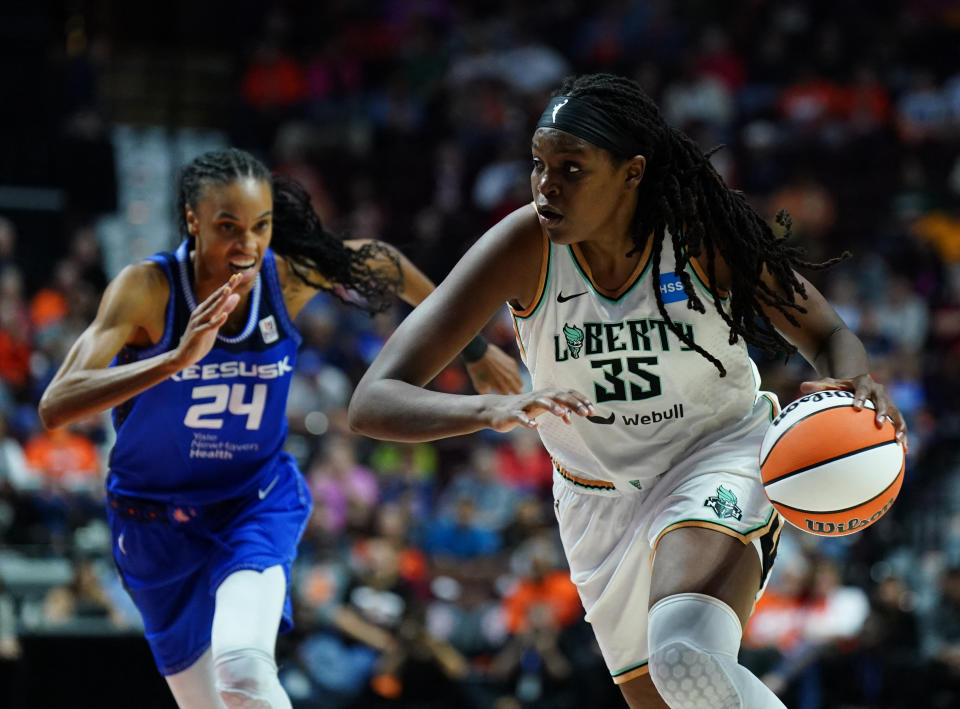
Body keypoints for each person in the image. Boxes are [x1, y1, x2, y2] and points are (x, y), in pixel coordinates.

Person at [348, 73, 908, 708]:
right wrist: (492, 406)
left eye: (572, 168)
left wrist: (853, 379)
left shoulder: (700, 237)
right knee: (670, 700)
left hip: (714, 456)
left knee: (683, 656)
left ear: (631, 173)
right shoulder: (520, 245)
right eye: (538, 164)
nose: (545, 184)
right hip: (594, 498)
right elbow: (373, 401)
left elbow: (828, 333)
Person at [37, 147, 521, 709]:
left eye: (260, 226)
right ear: (192, 220)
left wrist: (477, 349)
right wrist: (173, 360)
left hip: (251, 501)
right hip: (152, 521)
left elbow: (382, 262)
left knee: (243, 668)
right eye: (228, 227)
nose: (247, 244)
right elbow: (56, 403)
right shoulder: (148, 289)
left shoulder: (285, 278)